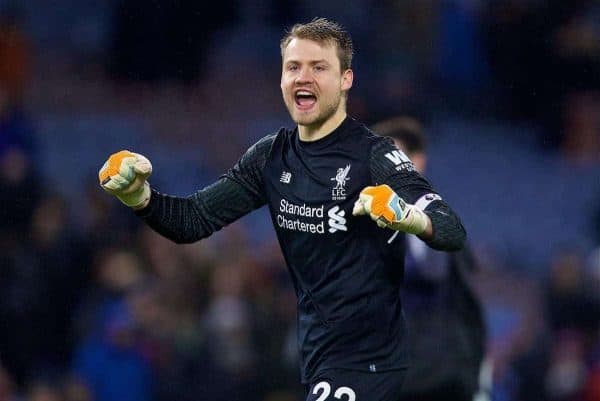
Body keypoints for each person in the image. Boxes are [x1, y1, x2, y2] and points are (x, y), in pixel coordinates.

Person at [99, 18, 466, 401]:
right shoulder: (271, 157)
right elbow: (192, 221)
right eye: (293, 67)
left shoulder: (375, 156)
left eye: (318, 67)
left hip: (368, 360)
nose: (302, 78)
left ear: (346, 80)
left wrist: (407, 215)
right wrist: (139, 197)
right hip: (317, 358)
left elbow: (451, 229)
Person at [372, 116, 489, 401]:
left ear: (417, 163)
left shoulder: (440, 221)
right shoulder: (363, 224)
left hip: (435, 376)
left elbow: (434, 271)